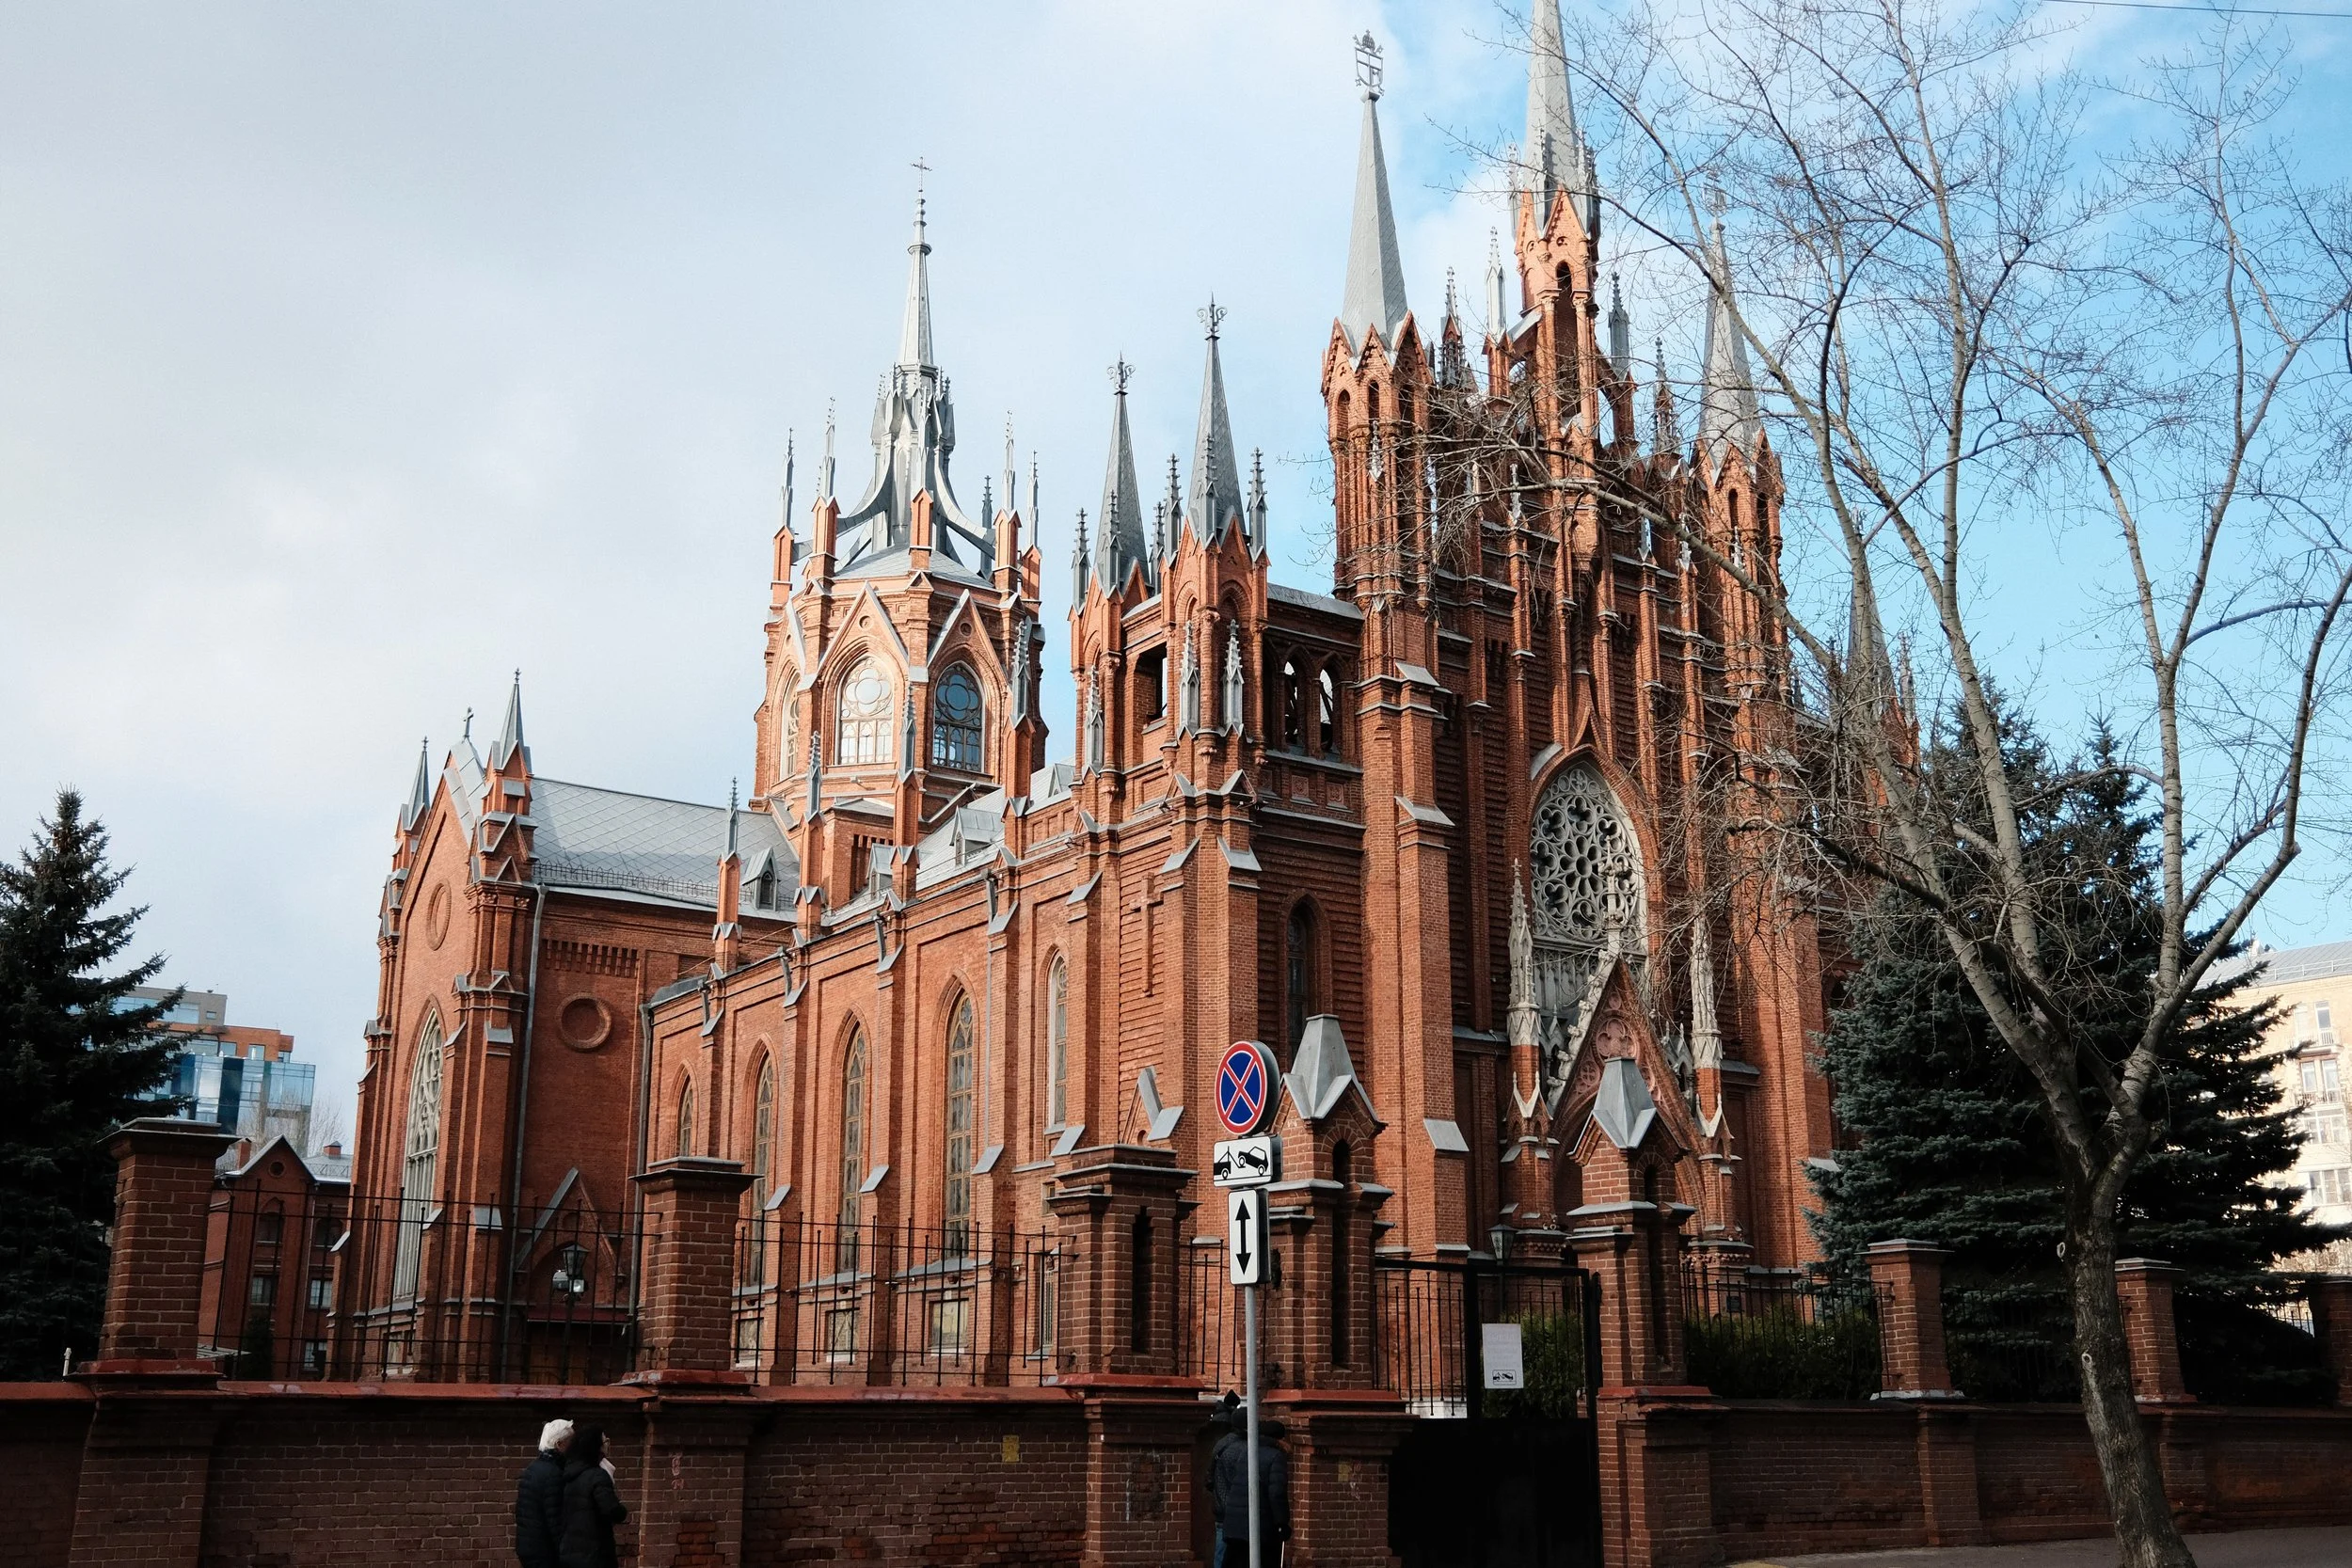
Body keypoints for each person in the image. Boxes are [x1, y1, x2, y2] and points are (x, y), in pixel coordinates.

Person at [1209, 1412, 1290, 1566]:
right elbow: (1276, 1493)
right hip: (1256, 1524)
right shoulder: (1274, 1456)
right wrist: (1281, 1523)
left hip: (1232, 1520)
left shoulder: (1242, 1450)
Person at [557, 1424, 629, 1568]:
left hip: (571, 1550)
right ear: (597, 1447)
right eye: (605, 1442)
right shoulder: (597, 1476)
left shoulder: (571, 1473)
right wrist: (622, 1511)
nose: (607, 1445)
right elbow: (612, 1509)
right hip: (595, 1553)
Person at [515, 1418, 571, 1568]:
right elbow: (556, 1520)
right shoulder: (554, 1474)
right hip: (545, 1552)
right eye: (572, 1441)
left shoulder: (532, 1468)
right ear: (560, 1444)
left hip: (528, 1547)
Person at [1203, 1395, 1242, 1567]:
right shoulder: (1243, 1448)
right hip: (1237, 1508)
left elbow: (1210, 1476)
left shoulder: (1220, 1444)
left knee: (1221, 1550)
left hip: (1220, 1505)